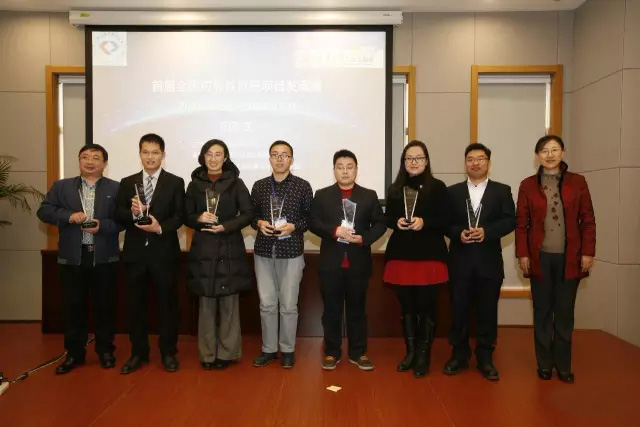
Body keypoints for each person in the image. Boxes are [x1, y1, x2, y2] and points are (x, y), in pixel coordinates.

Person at [516, 135, 595, 384]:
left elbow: (588, 220)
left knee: (564, 312)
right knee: (542, 312)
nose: (549, 155)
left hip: (570, 258)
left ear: (563, 152)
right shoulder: (528, 185)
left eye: (554, 150)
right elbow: (521, 224)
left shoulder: (577, 182)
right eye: (544, 151)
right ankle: (544, 364)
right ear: (537, 156)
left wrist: (588, 252)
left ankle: (563, 365)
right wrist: (523, 254)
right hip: (539, 258)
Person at [37, 144, 122, 374]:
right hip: (73, 257)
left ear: (104, 163)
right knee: (73, 308)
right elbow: (44, 211)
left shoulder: (116, 188)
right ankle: (74, 354)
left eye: (95, 158)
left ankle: (106, 352)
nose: (90, 161)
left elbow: (123, 221)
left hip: (104, 257)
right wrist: (68, 216)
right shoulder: (62, 186)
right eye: (85, 157)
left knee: (105, 307)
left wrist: (102, 226)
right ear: (79, 161)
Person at [444, 143, 515, 381]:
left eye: (480, 159)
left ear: (488, 162)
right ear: (465, 163)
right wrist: (458, 233)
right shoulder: (452, 192)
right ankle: (459, 355)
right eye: (470, 159)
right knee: (459, 311)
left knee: (487, 311)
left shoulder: (502, 191)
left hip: (488, 262)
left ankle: (485, 357)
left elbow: (510, 221)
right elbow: (444, 223)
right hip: (460, 261)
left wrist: (487, 232)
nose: (475, 163)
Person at [310, 149, 386, 371]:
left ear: (356, 169)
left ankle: (358, 352)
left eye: (349, 167)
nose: (345, 171)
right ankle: (332, 352)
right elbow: (313, 222)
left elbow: (380, 224)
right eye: (340, 167)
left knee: (357, 311)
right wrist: (334, 231)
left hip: (358, 263)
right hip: (331, 264)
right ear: (334, 170)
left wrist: (364, 238)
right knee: (331, 311)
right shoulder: (322, 195)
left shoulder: (368, 195)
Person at [115, 133, 185, 374]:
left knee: (167, 305)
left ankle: (168, 352)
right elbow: (118, 214)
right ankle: (138, 353)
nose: (150, 157)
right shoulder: (127, 182)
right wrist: (133, 214)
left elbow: (179, 216)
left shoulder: (175, 182)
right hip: (135, 254)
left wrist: (159, 227)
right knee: (135, 306)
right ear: (140, 154)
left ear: (163, 155)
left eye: (155, 152)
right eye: (145, 152)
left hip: (164, 253)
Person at [185, 139, 254, 370]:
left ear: (225, 158)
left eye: (218, 154)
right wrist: (198, 218)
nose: (213, 159)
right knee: (206, 303)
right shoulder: (194, 184)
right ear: (203, 157)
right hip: (203, 247)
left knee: (229, 303)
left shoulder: (236, 183)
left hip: (229, 246)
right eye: (209, 154)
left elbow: (248, 213)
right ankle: (207, 354)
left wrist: (226, 225)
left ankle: (227, 353)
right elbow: (185, 215)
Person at [383, 140, 450, 378]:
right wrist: (396, 222)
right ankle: (410, 353)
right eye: (409, 158)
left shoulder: (438, 187)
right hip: (401, 255)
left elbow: (447, 219)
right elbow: (387, 217)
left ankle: (424, 355)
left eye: (418, 158)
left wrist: (425, 222)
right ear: (403, 162)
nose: (413, 162)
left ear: (426, 161)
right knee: (407, 307)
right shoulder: (395, 188)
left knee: (427, 306)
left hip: (429, 256)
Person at [250, 140, 313, 369]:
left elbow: (310, 218)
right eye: (275, 154)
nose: (279, 159)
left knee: (288, 305)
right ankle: (268, 349)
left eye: (284, 155)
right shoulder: (259, 186)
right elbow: (251, 215)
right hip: (264, 251)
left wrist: (294, 226)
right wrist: (259, 223)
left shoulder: (303, 186)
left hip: (291, 252)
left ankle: (287, 349)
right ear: (269, 159)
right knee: (267, 304)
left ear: (291, 160)